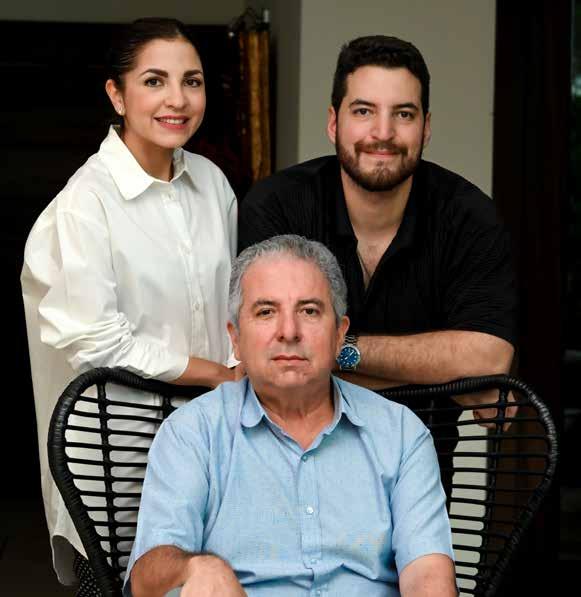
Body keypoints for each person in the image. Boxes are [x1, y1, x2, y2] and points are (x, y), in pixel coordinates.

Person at [239, 36, 517, 490]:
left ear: (426, 127)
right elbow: (265, 362)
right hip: (285, 475)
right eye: (364, 111)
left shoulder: (470, 218)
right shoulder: (278, 206)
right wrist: (444, 379)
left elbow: (488, 359)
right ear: (334, 122)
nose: (383, 133)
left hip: (415, 485)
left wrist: (335, 352)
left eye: (403, 114)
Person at [21, 17, 239, 591]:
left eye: (191, 81)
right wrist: (215, 373)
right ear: (117, 95)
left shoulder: (213, 185)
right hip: (117, 458)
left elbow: (232, 306)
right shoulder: (84, 203)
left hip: (208, 444)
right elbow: (96, 340)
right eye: (154, 81)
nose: (177, 99)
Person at [124, 235, 456, 597]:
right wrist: (195, 567)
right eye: (266, 312)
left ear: (339, 335)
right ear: (235, 339)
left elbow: (429, 577)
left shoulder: (402, 434)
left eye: (309, 311)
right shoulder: (191, 433)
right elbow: (146, 579)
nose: (289, 332)